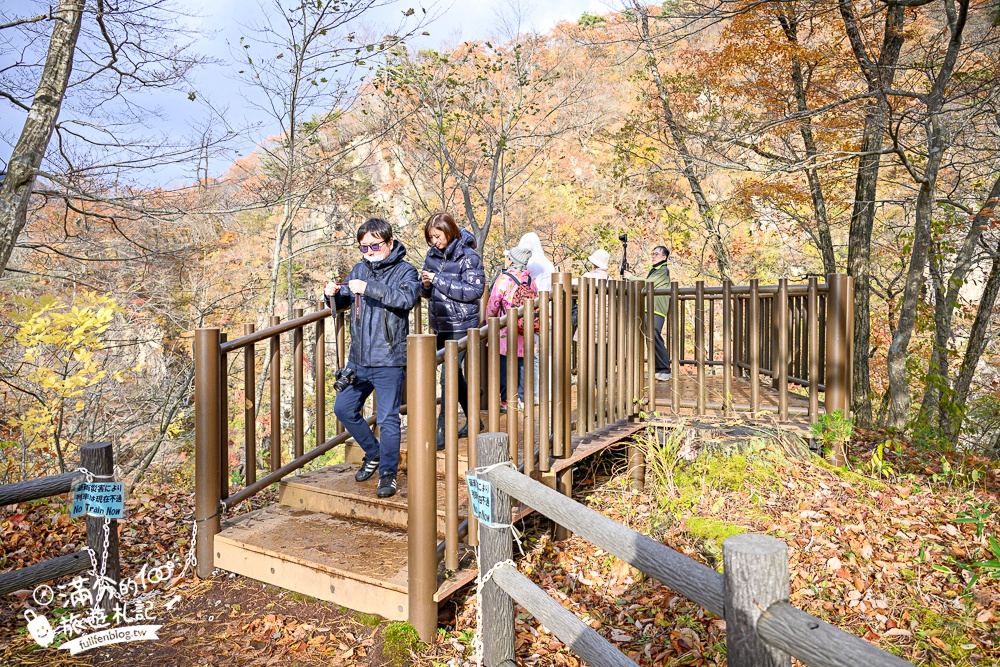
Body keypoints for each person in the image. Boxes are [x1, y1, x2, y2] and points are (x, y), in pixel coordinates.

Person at [325, 218, 420, 498]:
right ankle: (374, 453)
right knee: (343, 408)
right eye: (363, 247)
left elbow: (405, 300)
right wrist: (331, 293)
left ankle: (388, 474)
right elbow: (344, 298)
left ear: (389, 243)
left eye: (374, 246)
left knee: (388, 419)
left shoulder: (406, 271)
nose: (368, 251)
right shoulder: (359, 269)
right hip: (358, 358)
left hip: (389, 357)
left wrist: (367, 288)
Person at [419, 211, 486, 449]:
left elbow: (472, 292)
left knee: (447, 376)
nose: (435, 242)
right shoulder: (432, 256)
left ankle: (443, 429)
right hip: (441, 324)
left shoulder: (469, 257)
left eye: (437, 236)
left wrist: (438, 280)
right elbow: (427, 294)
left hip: (462, 324)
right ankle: (474, 420)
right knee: (454, 375)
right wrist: (425, 285)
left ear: (449, 231)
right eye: (431, 238)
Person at [486, 245, 535, 411]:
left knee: (504, 365)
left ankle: (507, 400)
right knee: (522, 364)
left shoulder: (504, 279)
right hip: (524, 328)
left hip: (505, 329)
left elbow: (493, 304)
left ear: (512, 260)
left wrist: (489, 323)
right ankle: (522, 398)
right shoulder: (530, 280)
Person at [517, 232, 554, 403]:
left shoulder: (531, 264)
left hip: (535, 314)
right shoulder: (547, 263)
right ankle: (546, 390)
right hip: (549, 313)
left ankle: (535, 393)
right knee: (545, 353)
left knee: (534, 355)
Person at [641, 245, 672, 381]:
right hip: (650, 308)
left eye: (657, 254)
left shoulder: (663, 270)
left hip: (657, 309)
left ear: (664, 257)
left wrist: (631, 277)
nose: (653, 256)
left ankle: (665, 369)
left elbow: (648, 284)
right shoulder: (654, 270)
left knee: (655, 335)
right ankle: (656, 369)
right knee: (650, 337)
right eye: (652, 254)